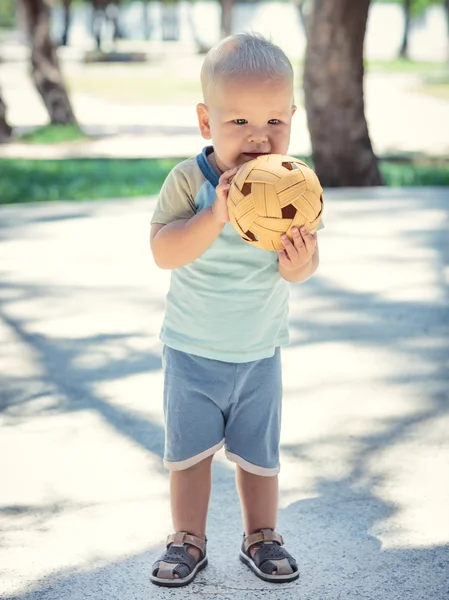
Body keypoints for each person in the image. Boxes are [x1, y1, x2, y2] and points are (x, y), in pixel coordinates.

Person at [149, 32, 322, 587]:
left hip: (258, 351)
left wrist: (300, 259)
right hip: (192, 351)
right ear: (206, 122)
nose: (259, 138)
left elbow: (298, 271)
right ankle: (188, 539)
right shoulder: (189, 182)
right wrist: (214, 217)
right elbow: (163, 250)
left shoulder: (292, 186)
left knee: (259, 457)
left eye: (275, 122)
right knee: (189, 457)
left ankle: (261, 534)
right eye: (239, 123)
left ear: (293, 118)